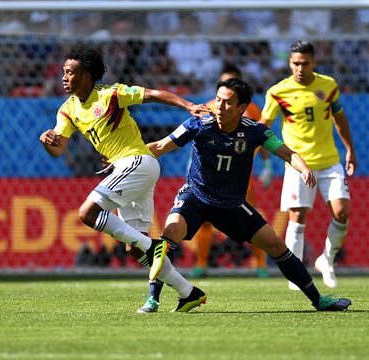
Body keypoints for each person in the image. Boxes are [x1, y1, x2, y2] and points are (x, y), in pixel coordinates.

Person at [148, 77, 351, 311]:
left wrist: (304, 168)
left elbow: (286, 152)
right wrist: (130, 158)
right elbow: (162, 146)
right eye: (218, 100)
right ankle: (152, 300)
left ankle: (319, 300)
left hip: (232, 205)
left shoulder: (254, 131)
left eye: (227, 103)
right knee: (170, 232)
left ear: (242, 108)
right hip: (196, 196)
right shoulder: (198, 124)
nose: (219, 107)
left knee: (276, 245)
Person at [39, 45, 210, 313]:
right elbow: (58, 149)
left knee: (87, 213)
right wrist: (47, 141)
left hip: (138, 163)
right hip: (126, 170)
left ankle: (153, 246)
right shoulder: (68, 109)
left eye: (70, 73)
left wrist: (188, 105)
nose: (64, 77)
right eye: (63, 72)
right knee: (134, 249)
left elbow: (152, 94)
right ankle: (188, 292)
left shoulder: (111, 95)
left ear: (86, 75)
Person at [259, 41, 357, 289]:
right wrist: (266, 161)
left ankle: (327, 259)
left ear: (314, 62)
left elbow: (340, 119)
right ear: (290, 63)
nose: (300, 68)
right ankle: (296, 271)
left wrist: (350, 150)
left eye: (305, 63)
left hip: (329, 160)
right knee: (297, 216)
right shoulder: (278, 92)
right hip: (297, 163)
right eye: (295, 63)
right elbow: (262, 128)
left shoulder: (328, 85)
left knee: (342, 212)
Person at [189, 63, 272, 279]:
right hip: (209, 176)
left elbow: (260, 138)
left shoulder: (252, 110)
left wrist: (267, 165)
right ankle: (201, 264)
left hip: (240, 175)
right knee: (204, 219)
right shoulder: (208, 108)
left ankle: (260, 264)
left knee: (249, 217)